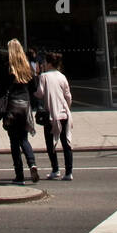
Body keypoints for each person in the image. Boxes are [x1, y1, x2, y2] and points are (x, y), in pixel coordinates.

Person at [0, 38, 39, 185]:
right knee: (24, 138)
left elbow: (1, 89)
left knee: (14, 141)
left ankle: (19, 174)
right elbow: (34, 88)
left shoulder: (8, 68)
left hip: (12, 106)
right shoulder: (28, 68)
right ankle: (32, 163)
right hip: (25, 105)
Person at [36, 51, 73, 180]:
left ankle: (55, 169)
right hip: (63, 113)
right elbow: (68, 96)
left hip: (51, 114)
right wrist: (67, 107)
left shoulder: (43, 77)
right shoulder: (62, 76)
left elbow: (40, 93)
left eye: (45, 62)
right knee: (66, 143)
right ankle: (69, 172)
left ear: (49, 63)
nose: (43, 65)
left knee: (50, 143)